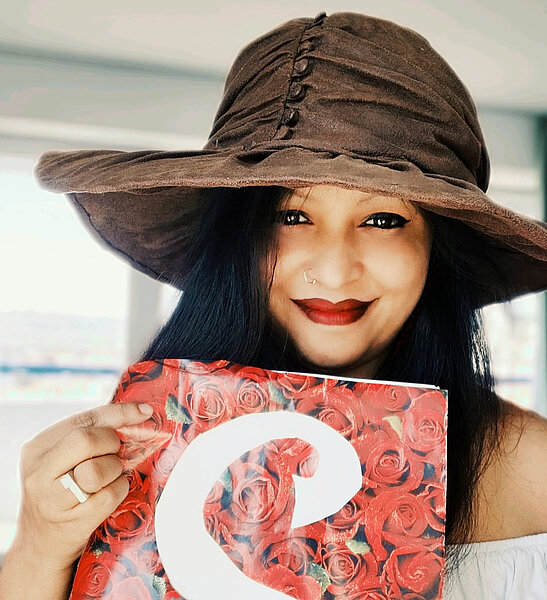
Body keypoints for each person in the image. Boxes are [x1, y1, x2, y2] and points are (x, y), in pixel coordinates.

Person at [1, 10, 546, 600]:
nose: (334, 269)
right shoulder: (128, 458)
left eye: (384, 219)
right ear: (238, 238)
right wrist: (38, 547)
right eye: (291, 215)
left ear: (437, 248)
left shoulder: (535, 469)